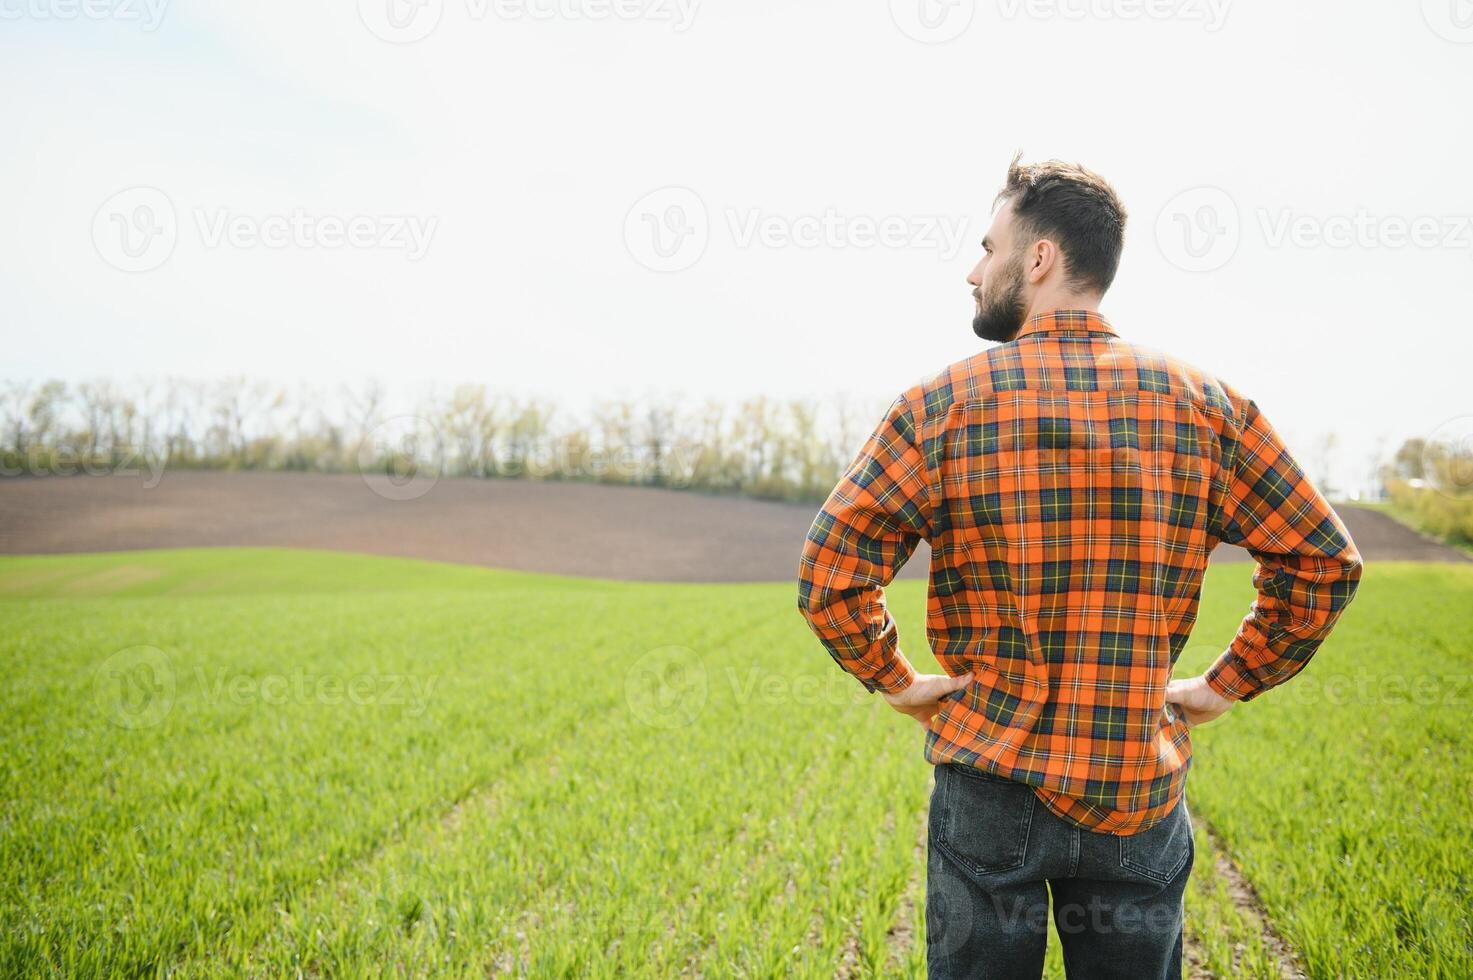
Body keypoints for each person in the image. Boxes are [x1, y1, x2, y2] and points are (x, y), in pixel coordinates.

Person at [795, 155, 1363, 979]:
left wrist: (895, 682)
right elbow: (1320, 562)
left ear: (1038, 259)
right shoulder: (1208, 405)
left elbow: (830, 576)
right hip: (1133, 784)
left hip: (991, 784)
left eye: (986, 247)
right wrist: (1222, 685)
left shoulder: (937, 406)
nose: (971, 270)